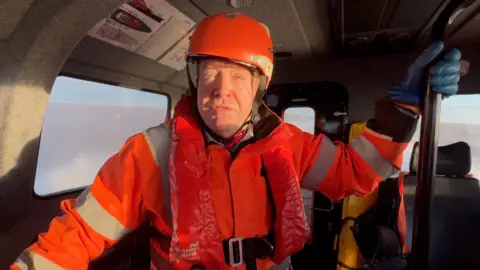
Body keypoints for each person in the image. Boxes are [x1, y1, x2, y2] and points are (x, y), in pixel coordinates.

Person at [11, 13, 463, 270]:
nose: (220, 90)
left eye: (237, 77)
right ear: (194, 81)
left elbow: (358, 174)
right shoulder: (148, 153)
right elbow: (79, 235)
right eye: (210, 73)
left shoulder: (289, 143)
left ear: (259, 86)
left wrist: (405, 107)